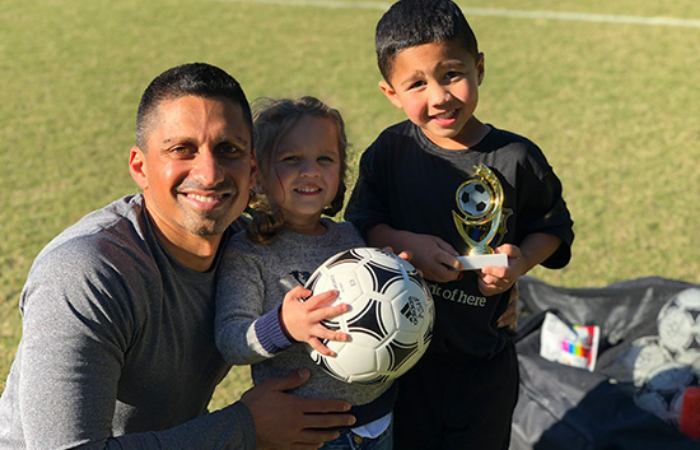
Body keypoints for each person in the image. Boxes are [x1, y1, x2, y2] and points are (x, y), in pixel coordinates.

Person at [0, 63, 355, 450]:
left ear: (252, 169)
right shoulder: (85, 275)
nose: (208, 172)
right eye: (181, 150)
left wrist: (395, 261)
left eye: (228, 150)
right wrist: (245, 428)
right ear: (140, 167)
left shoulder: (254, 246)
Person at [344, 1, 575, 449]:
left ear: (480, 67)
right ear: (390, 93)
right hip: (402, 365)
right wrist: (404, 243)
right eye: (416, 83)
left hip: (484, 364)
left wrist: (521, 261)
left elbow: (554, 228)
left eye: (452, 74)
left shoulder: (517, 158)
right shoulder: (389, 152)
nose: (439, 96)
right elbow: (361, 226)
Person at [215, 96, 395, 450]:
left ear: (340, 172)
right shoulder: (249, 252)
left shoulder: (350, 238)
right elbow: (231, 340)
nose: (310, 170)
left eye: (324, 159)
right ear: (258, 175)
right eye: (291, 159)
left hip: (380, 423)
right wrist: (284, 325)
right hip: (304, 437)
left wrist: (395, 278)